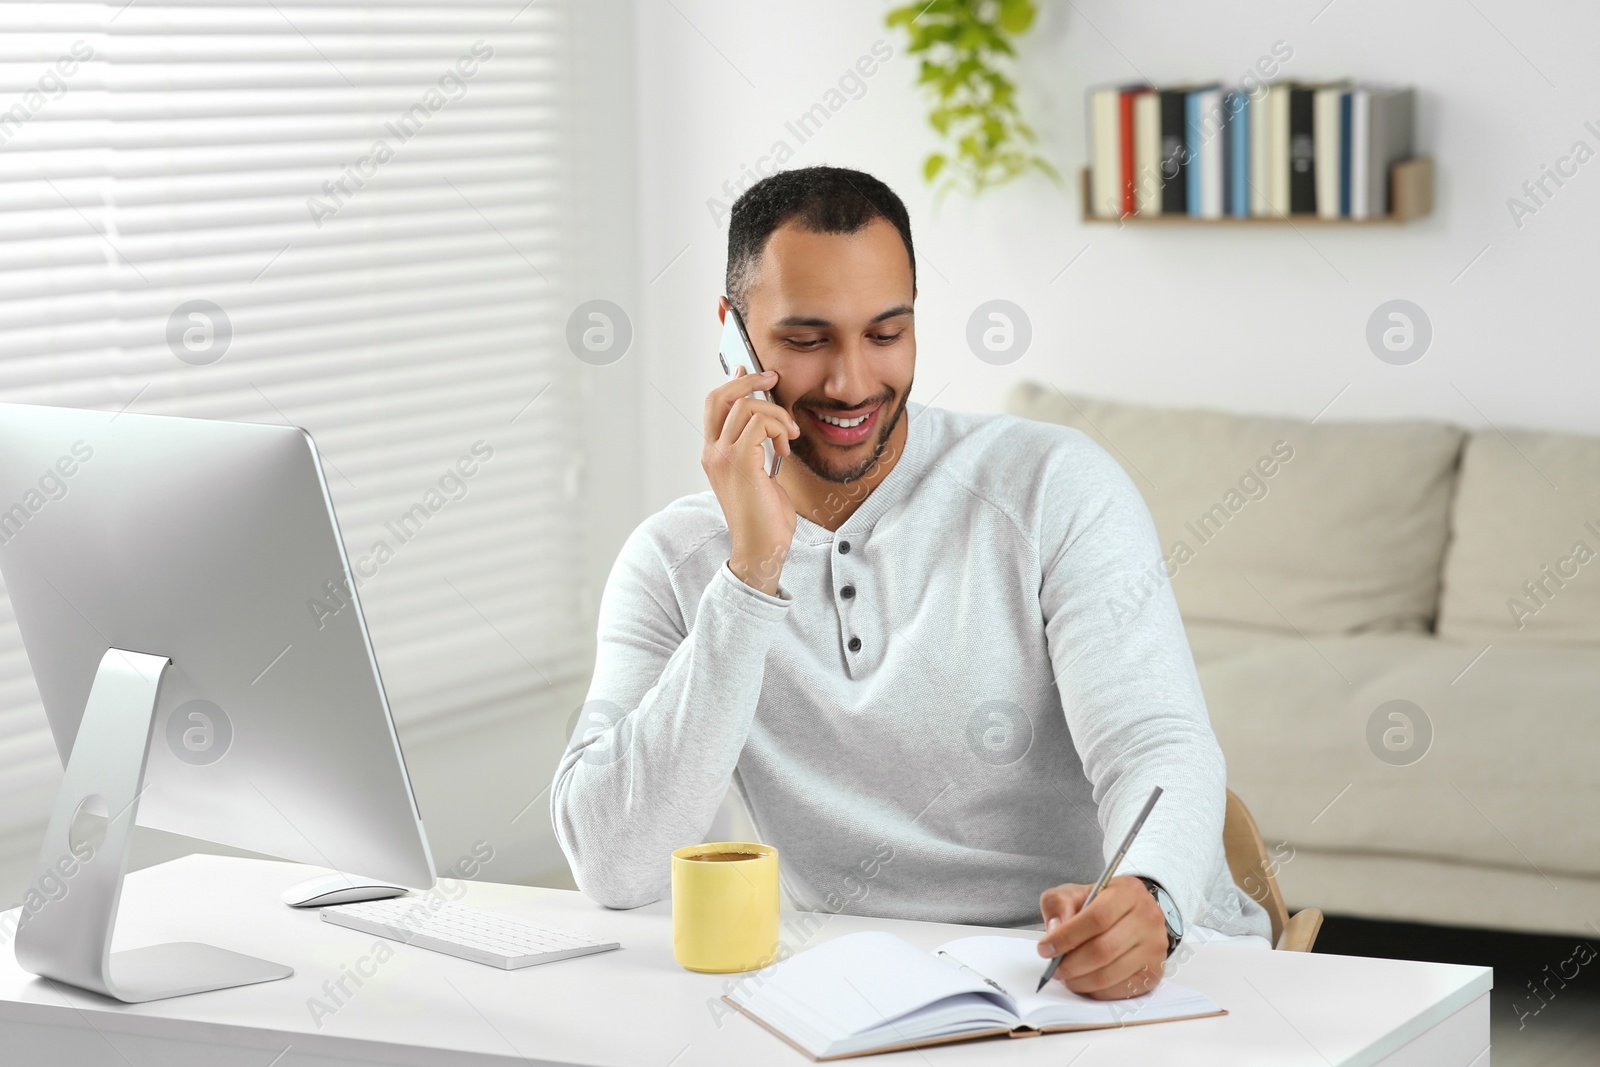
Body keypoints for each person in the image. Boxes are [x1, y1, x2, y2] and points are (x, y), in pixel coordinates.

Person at [552, 165, 1271, 1000]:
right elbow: (613, 863)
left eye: (886, 333)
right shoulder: (672, 560)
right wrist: (750, 574)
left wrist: (1150, 899)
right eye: (806, 339)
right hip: (871, 996)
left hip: (1109, 978)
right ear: (733, 336)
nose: (852, 382)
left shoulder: (1053, 485)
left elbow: (1157, 741)